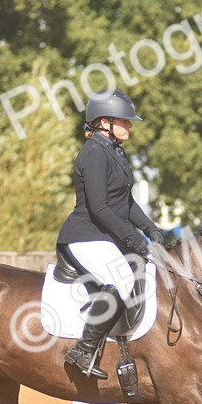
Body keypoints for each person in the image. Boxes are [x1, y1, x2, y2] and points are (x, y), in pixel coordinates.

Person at [56, 89, 165, 379]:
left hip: (104, 236)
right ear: (105, 122)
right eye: (125, 121)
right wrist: (134, 240)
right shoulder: (93, 154)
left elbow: (124, 202)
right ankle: (83, 350)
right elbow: (100, 207)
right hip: (85, 236)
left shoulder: (115, 151)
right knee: (122, 278)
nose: (130, 125)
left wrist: (150, 228)